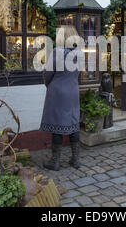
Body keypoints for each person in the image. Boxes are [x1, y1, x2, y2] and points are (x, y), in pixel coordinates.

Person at [40, 25, 81, 171]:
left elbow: (47, 74)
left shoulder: (57, 52)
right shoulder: (79, 53)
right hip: (73, 91)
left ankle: (54, 161)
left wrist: (50, 85)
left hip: (58, 91)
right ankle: (75, 160)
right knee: (73, 123)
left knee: (57, 125)